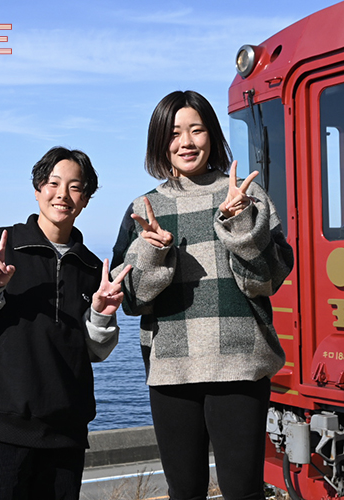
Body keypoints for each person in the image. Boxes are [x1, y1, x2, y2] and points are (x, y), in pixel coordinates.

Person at [110, 90, 294, 500]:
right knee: (185, 490)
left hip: (240, 362)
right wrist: (155, 253)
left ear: (212, 135)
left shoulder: (245, 196)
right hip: (172, 368)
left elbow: (267, 280)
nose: (187, 142)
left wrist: (242, 220)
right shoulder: (144, 208)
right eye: (175, 133)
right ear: (160, 141)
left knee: (243, 489)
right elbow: (131, 299)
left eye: (197, 130)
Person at [0, 146, 131, 500]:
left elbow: (95, 350)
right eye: (53, 183)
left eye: (75, 187)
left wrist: (103, 313)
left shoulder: (91, 268)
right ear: (37, 190)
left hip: (64, 431)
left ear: (87, 199)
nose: (63, 195)